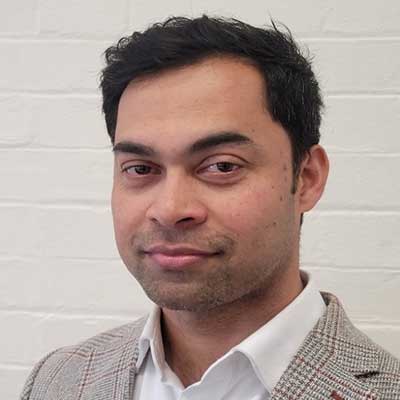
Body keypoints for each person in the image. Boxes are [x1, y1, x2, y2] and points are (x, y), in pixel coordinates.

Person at [21, 15, 400, 400]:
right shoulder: (58, 379)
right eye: (140, 168)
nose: (170, 209)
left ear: (307, 178)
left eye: (221, 166)